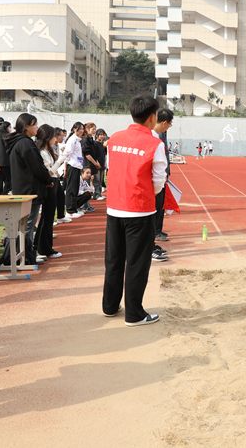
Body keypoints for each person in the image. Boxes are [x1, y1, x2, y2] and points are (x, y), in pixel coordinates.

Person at [102, 95, 167, 326]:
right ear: (152, 117)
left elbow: (111, 168)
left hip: (115, 208)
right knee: (137, 263)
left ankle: (110, 306)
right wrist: (148, 194)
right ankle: (134, 314)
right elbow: (159, 180)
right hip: (139, 210)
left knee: (114, 259)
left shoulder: (115, 138)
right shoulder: (155, 144)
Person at [3, 113, 54, 264]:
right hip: (29, 191)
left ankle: (26, 256)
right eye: (35, 124)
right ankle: (24, 257)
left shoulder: (18, 142)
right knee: (27, 226)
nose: (37, 127)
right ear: (27, 127)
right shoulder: (25, 143)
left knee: (25, 225)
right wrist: (48, 179)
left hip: (23, 189)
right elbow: (37, 167)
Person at [34, 124, 63, 259]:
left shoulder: (48, 150)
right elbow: (48, 172)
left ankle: (44, 247)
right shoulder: (42, 152)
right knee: (47, 217)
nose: (56, 138)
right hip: (49, 184)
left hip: (53, 182)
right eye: (53, 136)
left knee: (49, 217)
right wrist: (60, 162)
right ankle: (44, 248)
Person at [152, 107, 174, 256]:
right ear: (165, 122)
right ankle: (149, 247)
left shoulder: (159, 135)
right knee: (152, 212)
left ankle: (151, 243)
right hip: (153, 184)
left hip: (157, 180)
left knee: (157, 210)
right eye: (170, 124)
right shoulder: (153, 138)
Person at [63, 122, 85, 218]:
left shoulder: (78, 140)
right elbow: (67, 154)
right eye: (80, 129)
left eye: (83, 129)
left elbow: (78, 155)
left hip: (77, 166)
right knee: (71, 188)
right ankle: (70, 210)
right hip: (72, 166)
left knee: (75, 188)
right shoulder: (72, 140)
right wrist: (65, 168)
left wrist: (81, 165)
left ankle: (74, 208)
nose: (82, 131)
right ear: (74, 129)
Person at [0, 120, 12, 194]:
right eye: (9, 127)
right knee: (8, 180)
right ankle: (4, 194)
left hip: (0, 162)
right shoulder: (7, 136)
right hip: (7, 162)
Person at [93, 128, 107, 200]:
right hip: (97, 164)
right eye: (100, 135)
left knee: (101, 180)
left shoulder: (101, 144)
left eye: (103, 135)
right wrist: (96, 162)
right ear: (97, 136)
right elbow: (94, 154)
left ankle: (99, 194)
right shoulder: (95, 143)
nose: (102, 136)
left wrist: (104, 163)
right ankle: (96, 195)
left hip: (102, 164)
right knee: (97, 180)